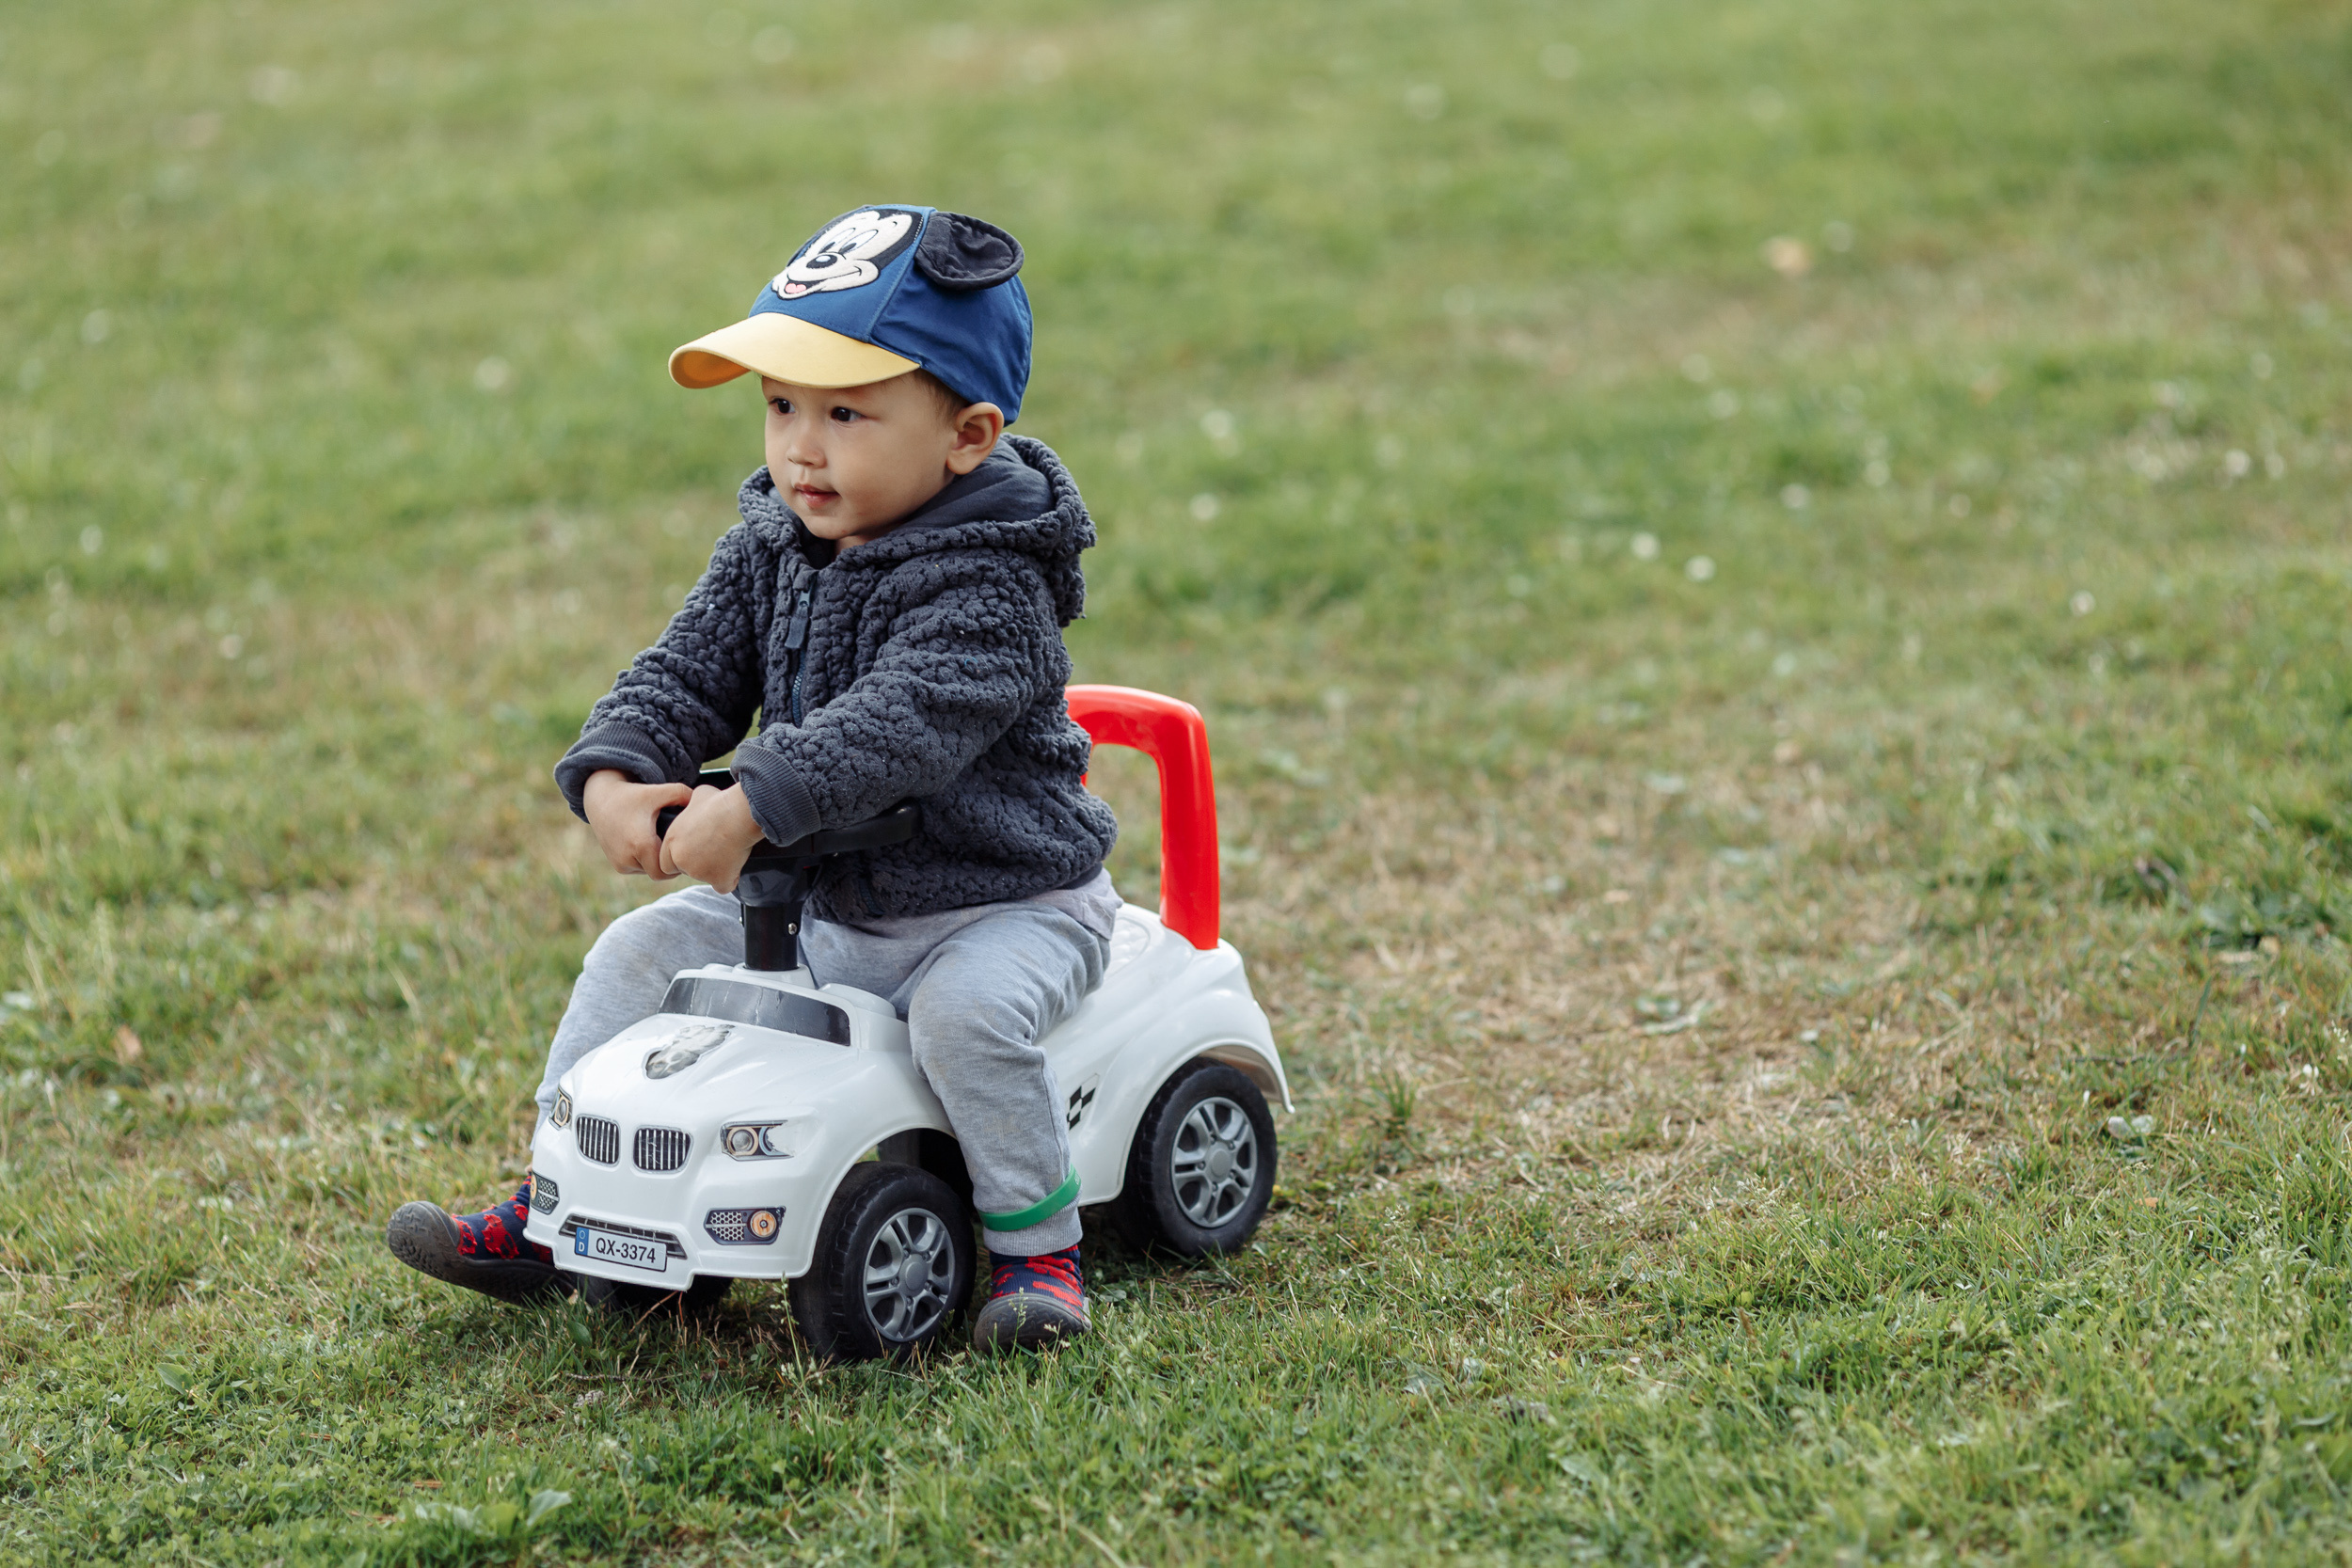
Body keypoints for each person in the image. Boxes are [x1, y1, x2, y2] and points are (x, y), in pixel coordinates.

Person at [385, 205, 1119, 1351]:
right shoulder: (773, 540)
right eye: (780, 405)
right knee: (639, 954)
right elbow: (689, 665)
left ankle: (1039, 1252)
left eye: (844, 412)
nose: (799, 447)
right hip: (825, 906)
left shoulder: (993, 588)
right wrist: (620, 768)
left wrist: (757, 799)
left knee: (967, 1020)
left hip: (999, 901)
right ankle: (556, 1202)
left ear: (967, 434)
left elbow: (901, 724)